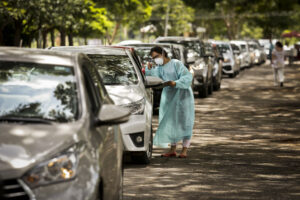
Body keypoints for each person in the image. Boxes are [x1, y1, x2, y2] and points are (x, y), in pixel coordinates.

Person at [145, 46, 194, 158]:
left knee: (184, 121)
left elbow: (187, 77)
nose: (156, 59)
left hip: (182, 95)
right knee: (171, 121)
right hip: (169, 96)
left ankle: (184, 149)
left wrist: (175, 83)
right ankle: (172, 149)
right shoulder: (158, 68)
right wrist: (149, 69)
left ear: (163, 53)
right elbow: (155, 79)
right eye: (153, 58)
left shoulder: (176, 63)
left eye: (156, 56)